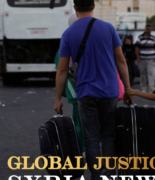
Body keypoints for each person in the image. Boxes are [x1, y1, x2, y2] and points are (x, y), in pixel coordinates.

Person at [54, 0, 133, 179]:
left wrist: (58, 98)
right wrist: (128, 89)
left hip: (86, 92)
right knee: (108, 135)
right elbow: (121, 61)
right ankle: (109, 174)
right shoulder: (108, 28)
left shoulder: (68, 33)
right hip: (109, 91)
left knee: (91, 138)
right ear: (94, 6)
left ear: (75, 7)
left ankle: (96, 175)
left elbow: (62, 69)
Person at [54, 14, 85, 153]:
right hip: (94, 89)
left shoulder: (65, 44)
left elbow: (60, 70)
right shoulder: (91, 41)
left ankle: (82, 149)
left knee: (79, 120)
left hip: (75, 89)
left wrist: (58, 98)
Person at [135, 24, 155, 93]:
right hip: (142, 59)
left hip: (151, 59)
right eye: (148, 29)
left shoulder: (153, 38)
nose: (149, 31)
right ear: (145, 29)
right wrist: (138, 57)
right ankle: (143, 88)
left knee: (151, 73)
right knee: (143, 74)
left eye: (150, 29)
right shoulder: (140, 37)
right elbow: (137, 48)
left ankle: (151, 88)